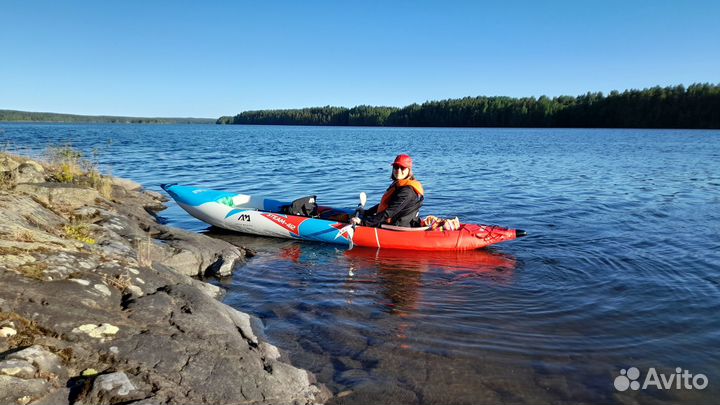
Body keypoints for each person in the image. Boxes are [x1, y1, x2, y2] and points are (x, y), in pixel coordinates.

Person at [351, 154, 425, 228]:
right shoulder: (399, 185)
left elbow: (389, 212)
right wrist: (367, 212)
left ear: (409, 170)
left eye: (402, 168)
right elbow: (386, 205)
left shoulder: (407, 191)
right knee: (347, 216)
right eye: (396, 167)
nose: (398, 171)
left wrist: (363, 222)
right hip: (394, 221)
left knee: (353, 220)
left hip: (398, 227)